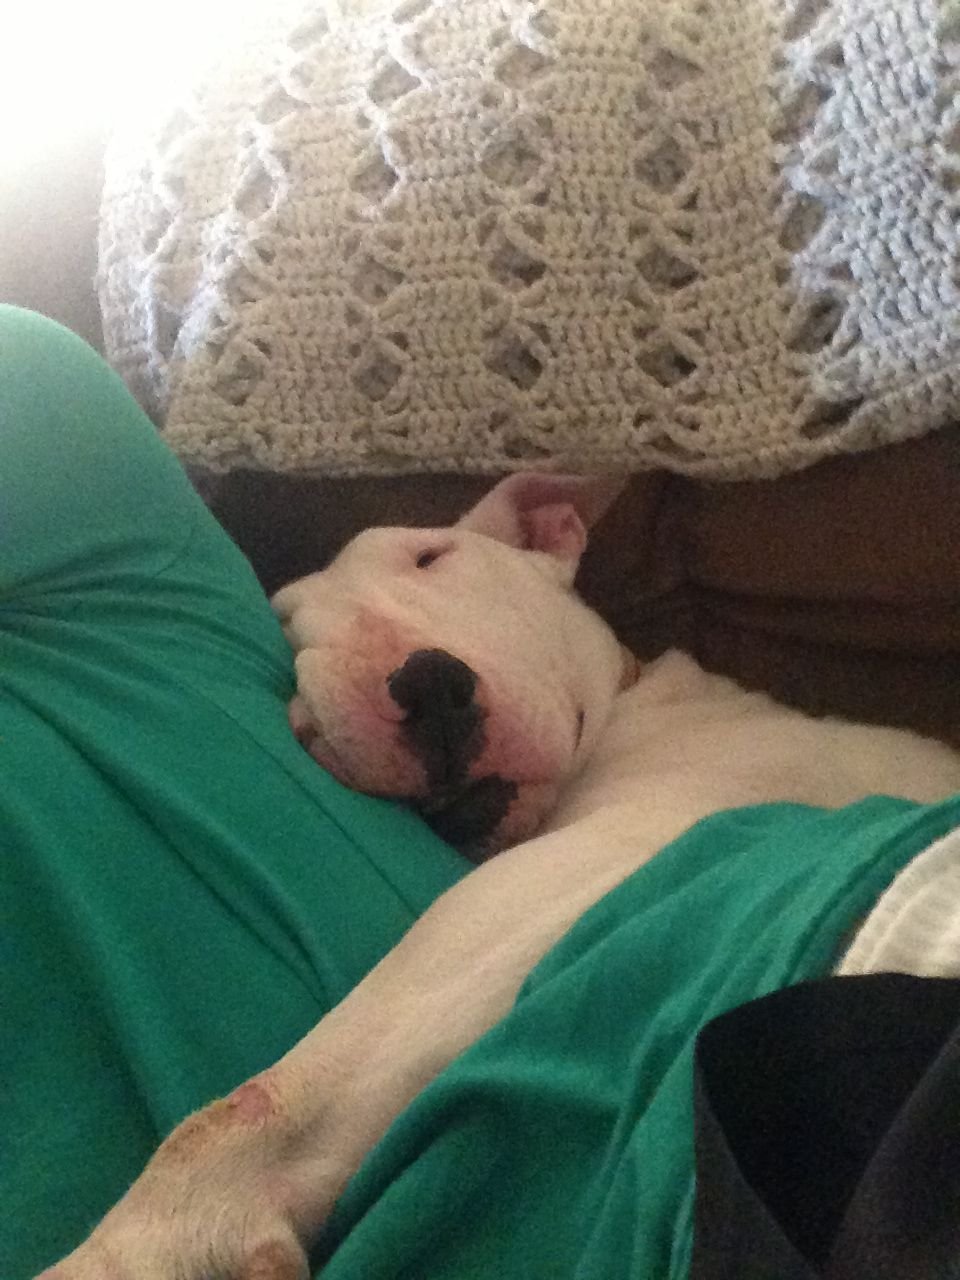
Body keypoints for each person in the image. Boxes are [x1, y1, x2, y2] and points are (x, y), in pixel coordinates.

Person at [5, 306, 960, 1279]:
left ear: (551, 535)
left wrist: (217, 1180)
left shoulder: (762, 772)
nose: (401, 648)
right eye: (301, 647)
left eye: (432, 558)